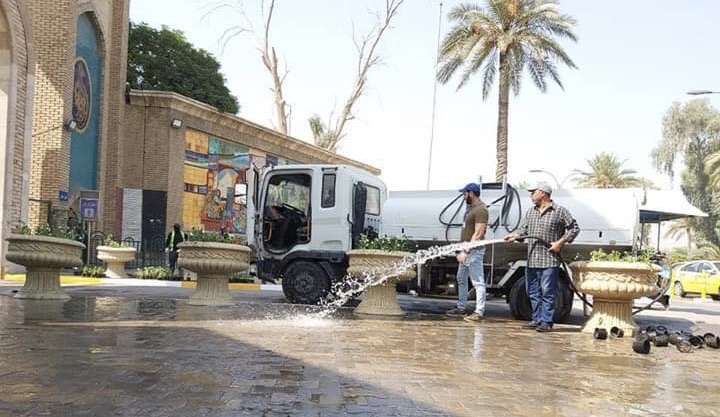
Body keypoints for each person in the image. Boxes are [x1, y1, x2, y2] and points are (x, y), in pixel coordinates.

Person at [504, 181, 580, 332]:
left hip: (549, 260)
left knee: (547, 291)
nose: (531, 195)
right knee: (532, 291)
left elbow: (574, 229)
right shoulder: (531, 212)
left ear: (543, 194)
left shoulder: (559, 211)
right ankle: (536, 319)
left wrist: (560, 243)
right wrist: (515, 235)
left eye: (534, 192)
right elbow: (523, 230)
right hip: (532, 259)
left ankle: (546, 322)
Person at [445, 182, 489, 321]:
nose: (463, 196)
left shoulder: (481, 210)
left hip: (474, 252)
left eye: (465, 193)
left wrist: (466, 251)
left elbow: (478, 233)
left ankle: (479, 312)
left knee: (478, 282)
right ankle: (461, 308)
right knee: (461, 278)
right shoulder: (470, 208)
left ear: (471, 193)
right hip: (466, 251)